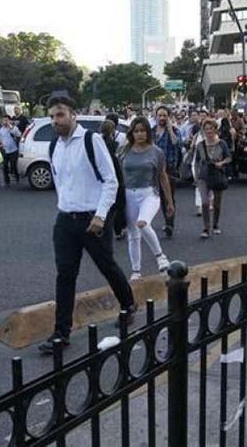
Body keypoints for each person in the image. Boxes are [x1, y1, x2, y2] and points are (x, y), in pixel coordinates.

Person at [39, 91, 136, 354]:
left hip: (93, 220)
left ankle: (128, 305)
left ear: (73, 114)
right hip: (65, 221)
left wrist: (101, 215)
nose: (55, 120)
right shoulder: (54, 145)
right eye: (51, 116)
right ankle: (61, 334)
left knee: (107, 266)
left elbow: (111, 180)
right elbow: (61, 182)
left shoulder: (91, 140)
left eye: (60, 114)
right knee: (65, 275)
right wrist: (66, 207)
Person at [121, 117, 174, 281]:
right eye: (136, 131)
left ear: (148, 132)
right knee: (133, 235)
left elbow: (163, 176)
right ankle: (136, 270)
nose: (139, 134)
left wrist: (169, 201)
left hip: (149, 193)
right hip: (129, 194)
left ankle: (160, 256)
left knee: (142, 223)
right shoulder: (123, 150)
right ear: (132, 133)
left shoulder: (156, 152)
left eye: (143, 130)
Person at [193, 119, 233, 238]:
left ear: (215, 129)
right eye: (206, 129)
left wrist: (222, 163)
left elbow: (229, 157)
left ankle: (215, 224)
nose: (209, 131)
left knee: (216, 204)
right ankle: (206, 228)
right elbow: (196, 161)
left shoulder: (222, 143)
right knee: (205, 202)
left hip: (217, 174)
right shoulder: (200, 145)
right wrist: (195, 177)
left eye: (211, 128)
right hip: (203, 176)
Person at [152, 106, 182, 237]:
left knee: (168, 196)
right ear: (156, 116)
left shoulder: (174, 130)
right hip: (153, 168)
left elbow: (177, 144)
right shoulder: (151, 131)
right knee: (156, 196)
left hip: (169, 167)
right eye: (160, 115)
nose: (162, 118)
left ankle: (170, 223)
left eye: (165, 116)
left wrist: (170, 129)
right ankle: (165, 220)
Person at [0, 115, 22, 186]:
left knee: (13, 165)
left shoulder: (14, 128)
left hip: (13, 149)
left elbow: (19, 135)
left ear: (9, 121)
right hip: (5, 150)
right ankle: (7, 181)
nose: (5, 122)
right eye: (4, 120)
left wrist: (11, 128)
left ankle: (16, 176)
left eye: (6, 120)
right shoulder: (1, 130)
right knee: (4, 166)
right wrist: (0, 144)